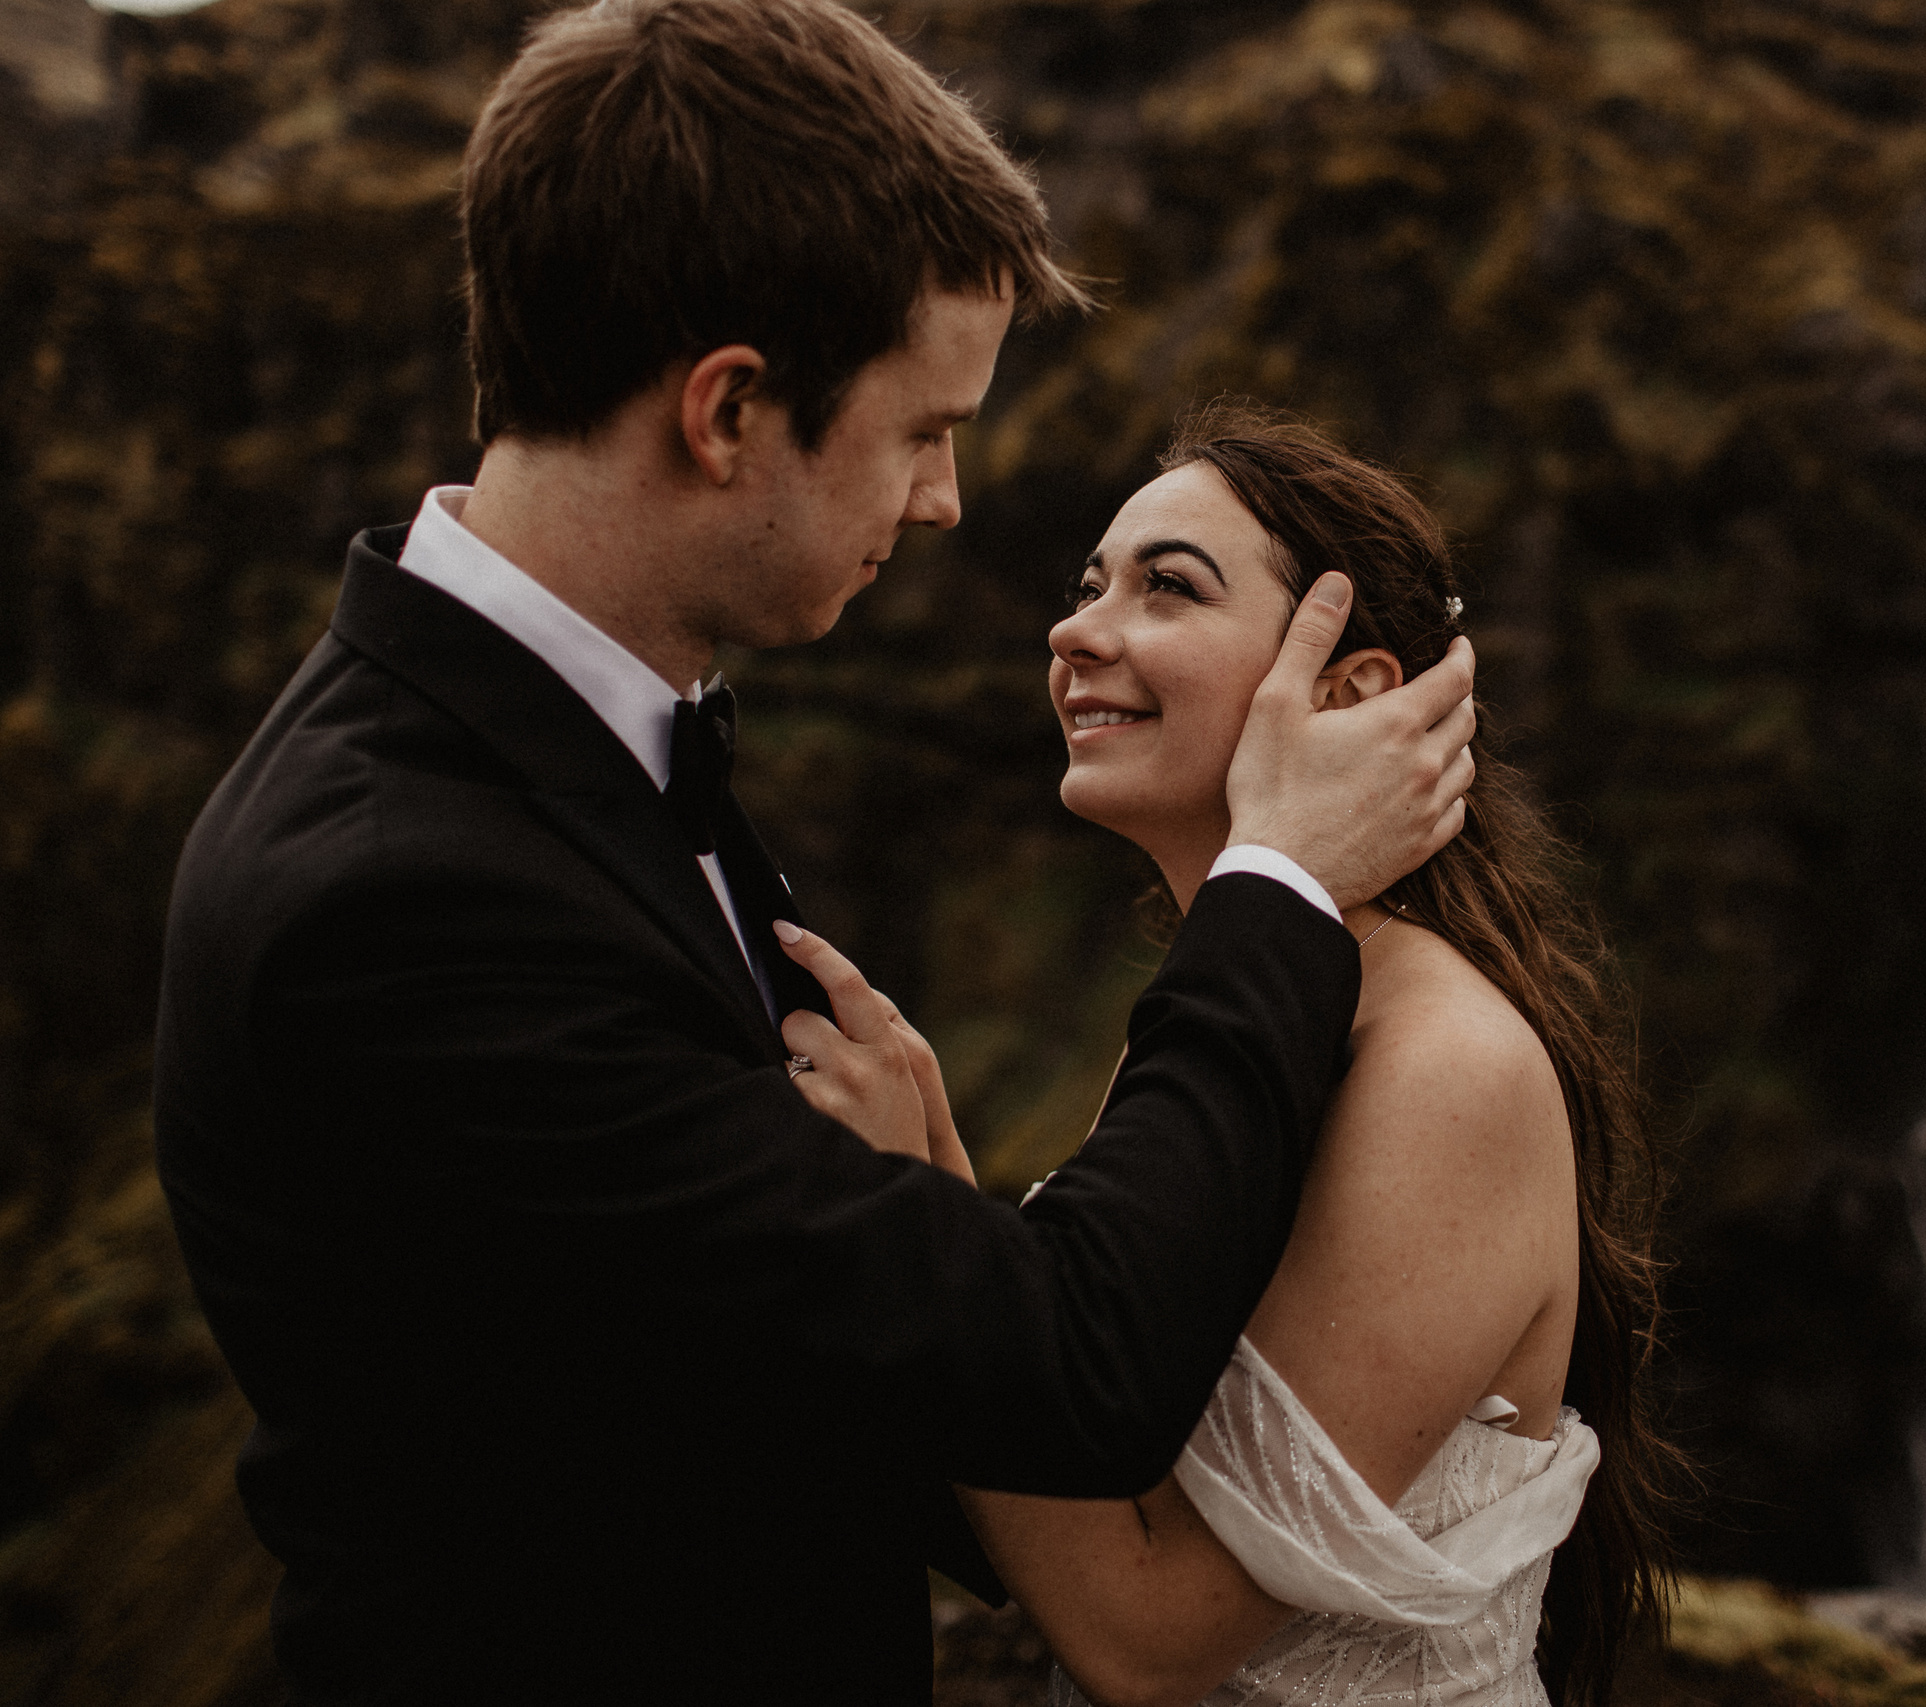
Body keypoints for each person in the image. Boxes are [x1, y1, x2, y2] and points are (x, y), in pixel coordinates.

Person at [148, 5, 1475, 1702]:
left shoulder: (569, 751)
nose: (944, 501)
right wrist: (1276, 879)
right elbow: (1076, 1369)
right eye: (923, 430)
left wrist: (913, 1217)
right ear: (729, 411)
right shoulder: (410, 898)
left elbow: (791, 1362)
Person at [780, 405, 1686, 1707]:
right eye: (1089, 585)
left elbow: (1150, 1636)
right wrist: (935, 1193)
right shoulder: (1232, 1017)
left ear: (1349, 693)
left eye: (1169, 587)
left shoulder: (1444, 1070)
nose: (1076, 632)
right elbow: (1102, 1444)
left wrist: (906, 1234)